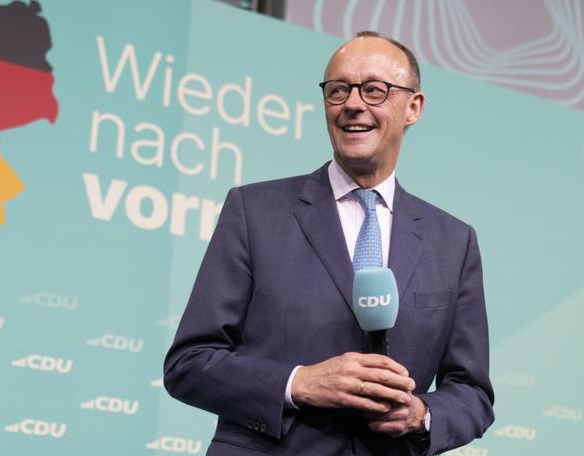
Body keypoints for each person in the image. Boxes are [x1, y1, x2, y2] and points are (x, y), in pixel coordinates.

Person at [163, 31, 494, 455]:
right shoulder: (254, 211)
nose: (353, 104)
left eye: (375, 90)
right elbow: (189, 364)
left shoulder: (454, 241)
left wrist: (419, 414)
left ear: (414, 107)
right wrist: (298, 383)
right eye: (338, 90)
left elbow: (472, 393)